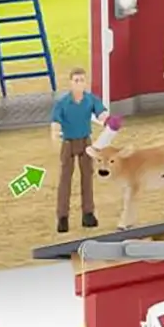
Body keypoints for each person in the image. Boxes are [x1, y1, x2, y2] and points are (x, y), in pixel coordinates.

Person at [49, 67, 108, 233]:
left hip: (85, 142)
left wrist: (107, 120)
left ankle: (88, 213)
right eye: (76, 80)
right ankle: (62, 217)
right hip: (68, 142)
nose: (79, 83)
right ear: (70, 83)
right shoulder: (63, 103)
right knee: (65, 179)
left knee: (87, 177)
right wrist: (55, 132)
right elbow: (55, 121)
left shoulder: (90, 100)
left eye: (82, 80)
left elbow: (101, 112)